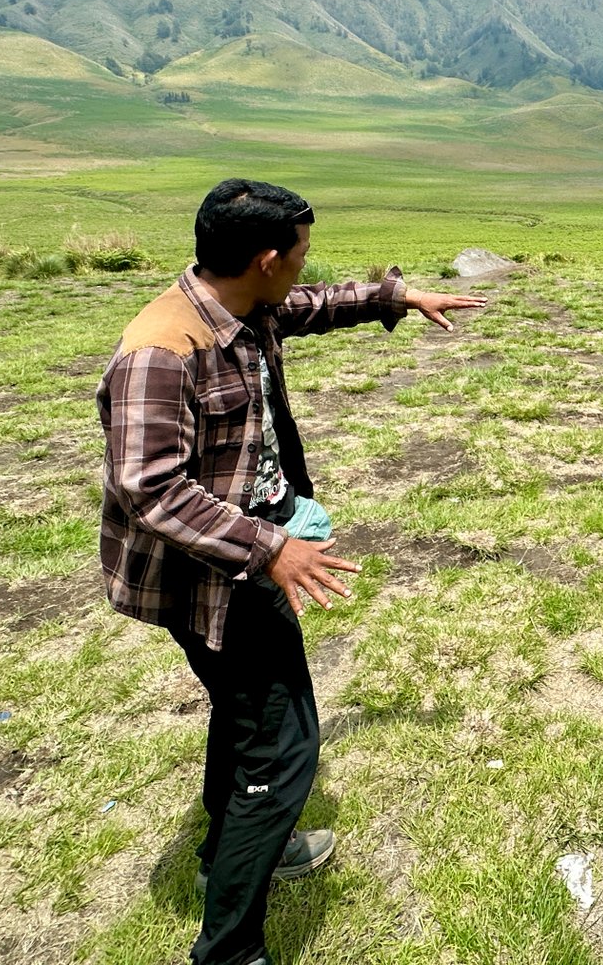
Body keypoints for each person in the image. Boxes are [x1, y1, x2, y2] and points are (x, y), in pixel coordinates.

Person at [98, 179, 484, 965]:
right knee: (280, 751)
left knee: (247, 718)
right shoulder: (162, 351)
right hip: (213, 579)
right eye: (301, 252)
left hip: (240, 561)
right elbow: (150, 490)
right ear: (267, 258)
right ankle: (230, 950)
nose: (307, 266)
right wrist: (271, 549)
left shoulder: (243, 304)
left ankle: (230, 852)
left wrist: (397, 298)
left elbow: (316, 305)